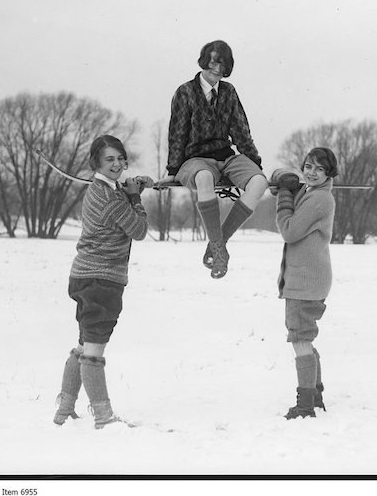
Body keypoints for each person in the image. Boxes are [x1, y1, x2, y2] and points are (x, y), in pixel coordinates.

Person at [53, 134, 153, 429]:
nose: (117, 164)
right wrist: (135, 197)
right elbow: (139, 229)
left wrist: (131, 187)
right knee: (94, 350)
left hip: (84, 276)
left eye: (120, 158)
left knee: (85, 345)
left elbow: (122, 192)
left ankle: (64, 410)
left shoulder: (103, 189)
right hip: (101, 280)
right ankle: (104, 417)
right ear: (96, 163)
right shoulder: (109, 197)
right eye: (109, 159)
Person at [158, 39, 269, 279]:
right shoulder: (185, 92)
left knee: (260, 182)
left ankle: (218, 242)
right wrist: (173, 169)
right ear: (203, 61)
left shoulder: (228, 92)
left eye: (222, 64)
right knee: (205, 177)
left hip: (226, 156)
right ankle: (219, 250)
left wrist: (254, 163)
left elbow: (241, 130)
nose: (217, 69)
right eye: (213, 62)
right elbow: (177, 133)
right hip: (195, 159)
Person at [272, 147, 338, 419]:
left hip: (306, 280)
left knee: (300, 339)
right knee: (306, 339)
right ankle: (316, 394)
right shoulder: (312, 193)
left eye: (319, 169)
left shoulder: (320, 199)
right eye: (308, 166)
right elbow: (278, 179)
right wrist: (285, 183)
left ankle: (305, 405)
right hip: (308, 277)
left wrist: (285, 196)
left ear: (329, 173)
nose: (311, 172)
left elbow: (289, 230)